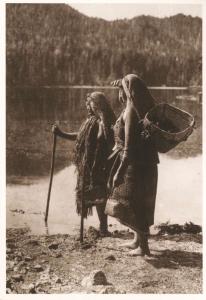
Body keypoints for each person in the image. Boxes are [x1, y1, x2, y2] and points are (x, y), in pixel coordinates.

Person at [107, 74, 159, 256]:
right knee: (138, 203)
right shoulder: (136, 109)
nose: (119, 95)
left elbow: (128, 148)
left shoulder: (130, 112)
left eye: (121, 90)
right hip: (144, 165)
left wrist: (118, 172)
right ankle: (138, 241)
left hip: (136, 166)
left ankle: (144, 248)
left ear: (128, 92)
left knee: (136, 204)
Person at [52, 92, 116, 236]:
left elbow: (109, 139)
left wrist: (103, 120)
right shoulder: (91, 121)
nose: (90, 106)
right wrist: (61, 133)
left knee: (100, 195)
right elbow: (81, 136)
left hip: (102, 164)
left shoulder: (109, 120)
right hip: (88, 164)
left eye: (93, 103)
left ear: (101, 105)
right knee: (91, 193)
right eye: (89, 103)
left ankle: (104, 228)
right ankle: (102, 228)